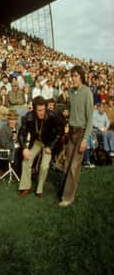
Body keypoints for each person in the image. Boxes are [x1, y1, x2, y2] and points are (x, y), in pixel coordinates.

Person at [59, 65, 93, 207]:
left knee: (74, 166)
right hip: (71, 132)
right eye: (71, 76)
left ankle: (68, 197)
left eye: (75, 76)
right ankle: (63, 192)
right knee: (67, 164)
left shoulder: (87, 92)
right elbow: (72, 110)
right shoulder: (71, 92)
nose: (73, 78)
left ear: (81, 76)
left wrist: (85, 139)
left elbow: (90, 118)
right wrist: (67, 113)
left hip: (81, 133)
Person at [17, 96, 63, 198]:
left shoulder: (52, 115)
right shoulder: (28, 117)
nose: (42, 112)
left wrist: (51, 147)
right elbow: (21, 133)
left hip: (49, 144)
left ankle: (39, 189)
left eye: (43, 109)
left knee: (44, 166)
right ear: (34, 110)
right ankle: (26, 187)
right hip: (37, 142)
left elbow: (60, 131)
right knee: (26, 161)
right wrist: (24, 148)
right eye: (39, 110)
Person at [0, 107, 22, 175]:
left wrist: (18, 138)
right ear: (8, 120)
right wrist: (13, 139)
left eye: (14, 119)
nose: (12, 121)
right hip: (9, 150)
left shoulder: (19, 127)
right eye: (10, 119)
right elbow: (4, 144)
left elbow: (23, 138)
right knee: (18, 150)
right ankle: (18, 170)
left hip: (19, 148)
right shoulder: (4, 128)